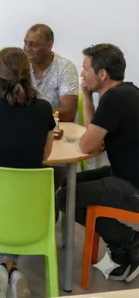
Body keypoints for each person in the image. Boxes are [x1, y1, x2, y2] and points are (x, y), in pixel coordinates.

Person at [0, 47, 55, 298]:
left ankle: (4, 265)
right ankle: (11, 268)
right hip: (31, 212)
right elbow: (46, 156)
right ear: (29, 74)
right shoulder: (43, 109)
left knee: (2, 197)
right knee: (34, 189)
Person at [57, 44, 139, 282]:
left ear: (102, 74)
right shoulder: (126, 91)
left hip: (132, 186)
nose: (82, 75)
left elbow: (87, 146)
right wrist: (85, 95)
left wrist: (86, 138)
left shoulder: (114, 100)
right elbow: (95, 134)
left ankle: (130, 242)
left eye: (85, 69)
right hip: (126, 173)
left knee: (65, 197)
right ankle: (123, 250)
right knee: (70, 182)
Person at [23, 24, 79, 122]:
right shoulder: (20, 65)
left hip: (59, 129)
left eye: (33, 44)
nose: (27, 49)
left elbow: (69, 113)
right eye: (25, 43)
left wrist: (28, 114)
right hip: (27, 127)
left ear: (49, 45)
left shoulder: (65, 68)